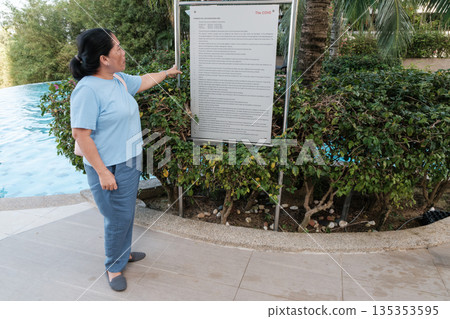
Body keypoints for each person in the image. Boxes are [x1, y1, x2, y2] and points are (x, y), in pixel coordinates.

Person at [69, 28, 181, 292]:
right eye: (117, 48)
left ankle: (124, 252)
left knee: (126, 212)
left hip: (129, 159)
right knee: (116, 217)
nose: (123, 52)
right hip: (108, 166)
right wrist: (102, 172)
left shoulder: (117, 79)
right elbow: (81, 135)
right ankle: (114, 266)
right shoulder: (87, 90)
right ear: (104, 58)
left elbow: (142, 81)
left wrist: (167, 72)